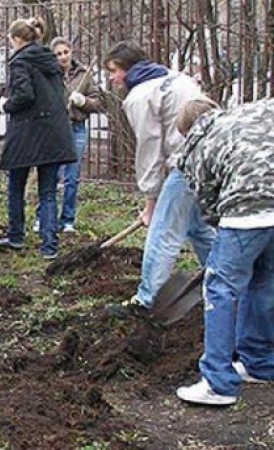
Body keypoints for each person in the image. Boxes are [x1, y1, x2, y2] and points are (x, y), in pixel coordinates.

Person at [103, 41, 215, 316]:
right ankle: (226, 280)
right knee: (198, 227)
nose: (111, 77)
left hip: (188, 163)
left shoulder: (140, 95)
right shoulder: (175, 77)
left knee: (163, 231)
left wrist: (151, 200)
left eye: (113, 70)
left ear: (128, 69)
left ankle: (146, 300)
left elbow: (150, 148)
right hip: (212, 158)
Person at [175, 98, 274, 406]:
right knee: (264, 281)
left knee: (220, 287)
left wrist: (225, 234)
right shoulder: (252, 113)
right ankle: (260, 363)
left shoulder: (197, 146)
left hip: (247, 209)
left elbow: (207, 203)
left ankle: (218, 383)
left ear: (189, 130)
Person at [0, 17, 75, 259]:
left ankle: (16, 236)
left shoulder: (20, 61)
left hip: (27, 134)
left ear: (16, 39)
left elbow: (24, 95)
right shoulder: (51, 61)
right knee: (48, 192)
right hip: (53, 134)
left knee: (15, 187)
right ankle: (49, 246)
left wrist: (6, 105)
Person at [32, 37, 103, 234]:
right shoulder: (49, 74)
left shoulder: (84, 74)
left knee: (72, 176)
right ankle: (43, 217)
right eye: (58, 54)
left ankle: (68, 220)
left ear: (71, 51)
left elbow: (97, 102)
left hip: (76, 128)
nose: (63, 57)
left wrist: (83, 102)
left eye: (65, 52)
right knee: (50, 175)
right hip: (55, 129)